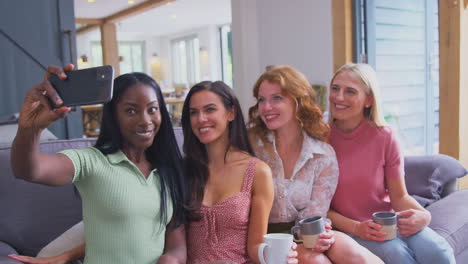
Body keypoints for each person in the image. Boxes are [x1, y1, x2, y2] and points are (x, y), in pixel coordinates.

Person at [9, 65, 188, 264]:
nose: (145, 120)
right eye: (131, 111)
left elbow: (177, 241)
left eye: (152, 109)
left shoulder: (169, 170)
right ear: (113, 116)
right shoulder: (92, 162)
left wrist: (170, 259)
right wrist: (30, 129)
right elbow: (28, 170)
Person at [248, 65, 383, 264]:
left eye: (277, 98)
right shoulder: (251, 146)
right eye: (261, 100)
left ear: (298, 102)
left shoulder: (322, 154)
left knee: (358, 257)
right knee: (317, 261)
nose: (266, 107)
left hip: (304, 233)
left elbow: (315, 215)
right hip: (266, 239)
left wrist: (320, 237)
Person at [327, 63, 455, 264]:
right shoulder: (321, 138)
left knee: (437, 252)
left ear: (369, 100)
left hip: (387, 221)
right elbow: (317, 207)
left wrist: (424, 216)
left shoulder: (385, 136)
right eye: (335, 88)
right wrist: (356, 228)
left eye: (349, 91)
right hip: (347, 227)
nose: (339, 97)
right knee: (398, 255)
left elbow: (399, 196)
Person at [181, 80, 279, 264]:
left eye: (210, 109)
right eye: (194, 112)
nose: (201, 119)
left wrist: (278, 256)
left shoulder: (257, 172)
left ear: (231, 113)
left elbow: (255, 246)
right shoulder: (183, 170)